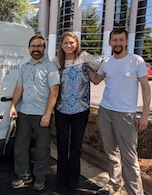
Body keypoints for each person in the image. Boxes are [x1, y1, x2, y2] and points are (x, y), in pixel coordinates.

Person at [89, 28, 151, 195]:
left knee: (129, 157)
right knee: (111, 153)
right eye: (114, 40)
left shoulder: (136, 61)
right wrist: (83, 63)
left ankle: (135, 192)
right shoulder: (107, 63)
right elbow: (96, 80)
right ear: (110, 42)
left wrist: (144, 115)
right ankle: (114, 184)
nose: (117, 43)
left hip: (126, 115)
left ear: (125, 42)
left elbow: (146, 88)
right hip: (105, 111)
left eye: (120, 40)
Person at [9, 35, 60, 191]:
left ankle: (40, 177)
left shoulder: (50, 67)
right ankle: (24, 176)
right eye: (33, 46)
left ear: (44, 48)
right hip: (24, 113)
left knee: (42, 149)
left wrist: (47, 114)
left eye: (39, 46)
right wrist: (13, 105)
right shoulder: (24, 67)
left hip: (41, 115)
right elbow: (19, 87)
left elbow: (55, 91)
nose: (36, 49)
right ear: (29, 48)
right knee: (20, 147)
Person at [54, 31, 101, 190]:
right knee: (61, 145)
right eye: (66, 43)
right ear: (61, 45)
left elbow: (101, 71)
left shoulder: (85, 57)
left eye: (71, 43)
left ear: (76, 44)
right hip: (61, 110)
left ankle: (73, 179)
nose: (69, 46)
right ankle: (60, 176)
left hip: (81, 110)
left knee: (76, 146)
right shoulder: (56, 62)